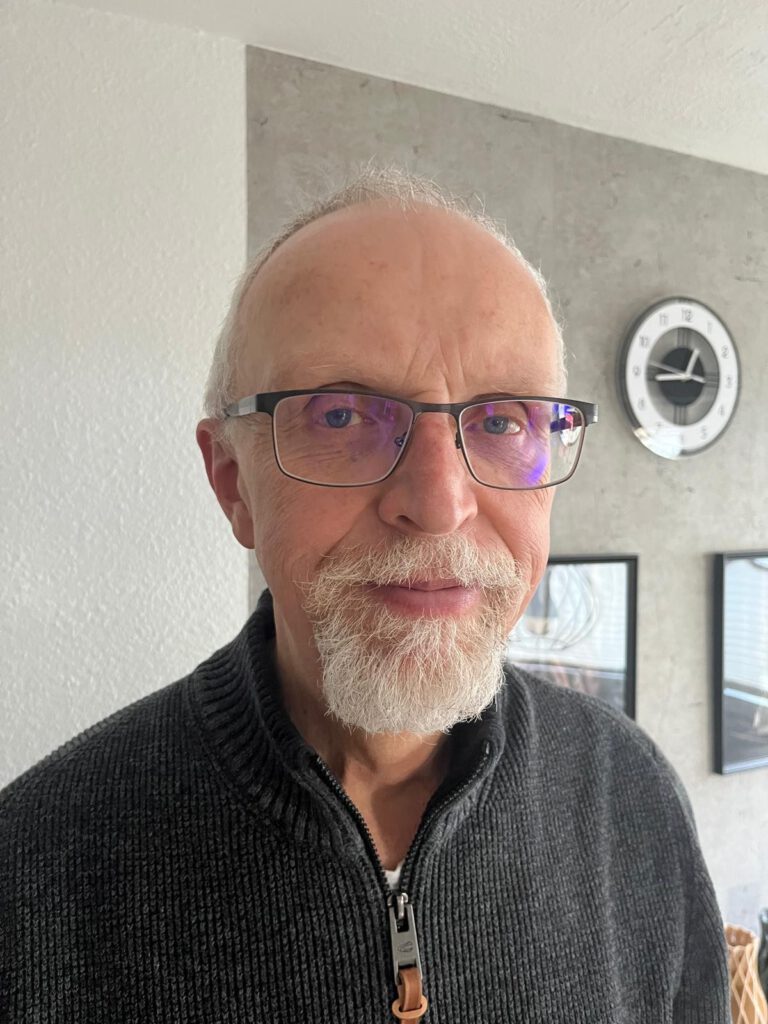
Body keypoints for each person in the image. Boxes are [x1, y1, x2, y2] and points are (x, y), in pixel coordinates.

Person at [0, 167, 728, 1022]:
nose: (440, 504)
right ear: (232, 481)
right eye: (342, 416)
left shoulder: (629, 798)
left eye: (502, 420)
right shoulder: (33, 872)